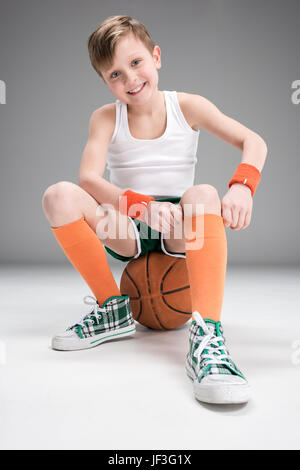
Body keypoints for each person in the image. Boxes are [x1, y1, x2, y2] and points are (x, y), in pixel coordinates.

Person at [42, 15, 267, 405]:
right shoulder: (106, 117)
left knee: (204, 193)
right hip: (127, 225)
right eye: (114, 74)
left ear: (156, 57)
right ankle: (112, 308)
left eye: (135, 63)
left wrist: (243, 189)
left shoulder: (187, 106)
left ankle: (208, 337)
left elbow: (254, 140)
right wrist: (138, 205)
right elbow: (89, 179)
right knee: (58, 196)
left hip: (178, 228)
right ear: (104, 82)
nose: (129, 79)